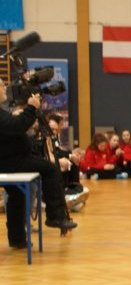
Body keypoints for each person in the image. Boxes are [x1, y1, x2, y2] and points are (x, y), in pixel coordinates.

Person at [0, 80, 77, 246]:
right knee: (50, 169)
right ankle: (55, 217)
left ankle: (17, 238)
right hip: (10, 161)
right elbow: (16, 127)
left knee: (17, 195)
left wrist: (24, 114)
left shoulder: (2, 112)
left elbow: (13, 125)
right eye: (1, 85)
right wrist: (31, 108)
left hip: (12, 159)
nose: (4, 88)